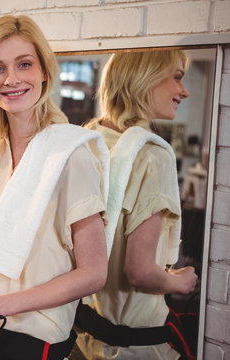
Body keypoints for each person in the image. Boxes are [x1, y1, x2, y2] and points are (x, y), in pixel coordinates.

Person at [0, 14, 110, 360]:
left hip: (31, 342)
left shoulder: (70, 155)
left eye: (23, 64)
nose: (11, 79)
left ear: (44, 71)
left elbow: (93, 273)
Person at [74, 50, 199, 360]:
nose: (184, 92)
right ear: (144, 79)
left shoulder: (86, 141)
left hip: (83, 339)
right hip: (133, 347)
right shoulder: (152, 157)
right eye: (177, 77)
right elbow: (140, 271)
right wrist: (179, 282)